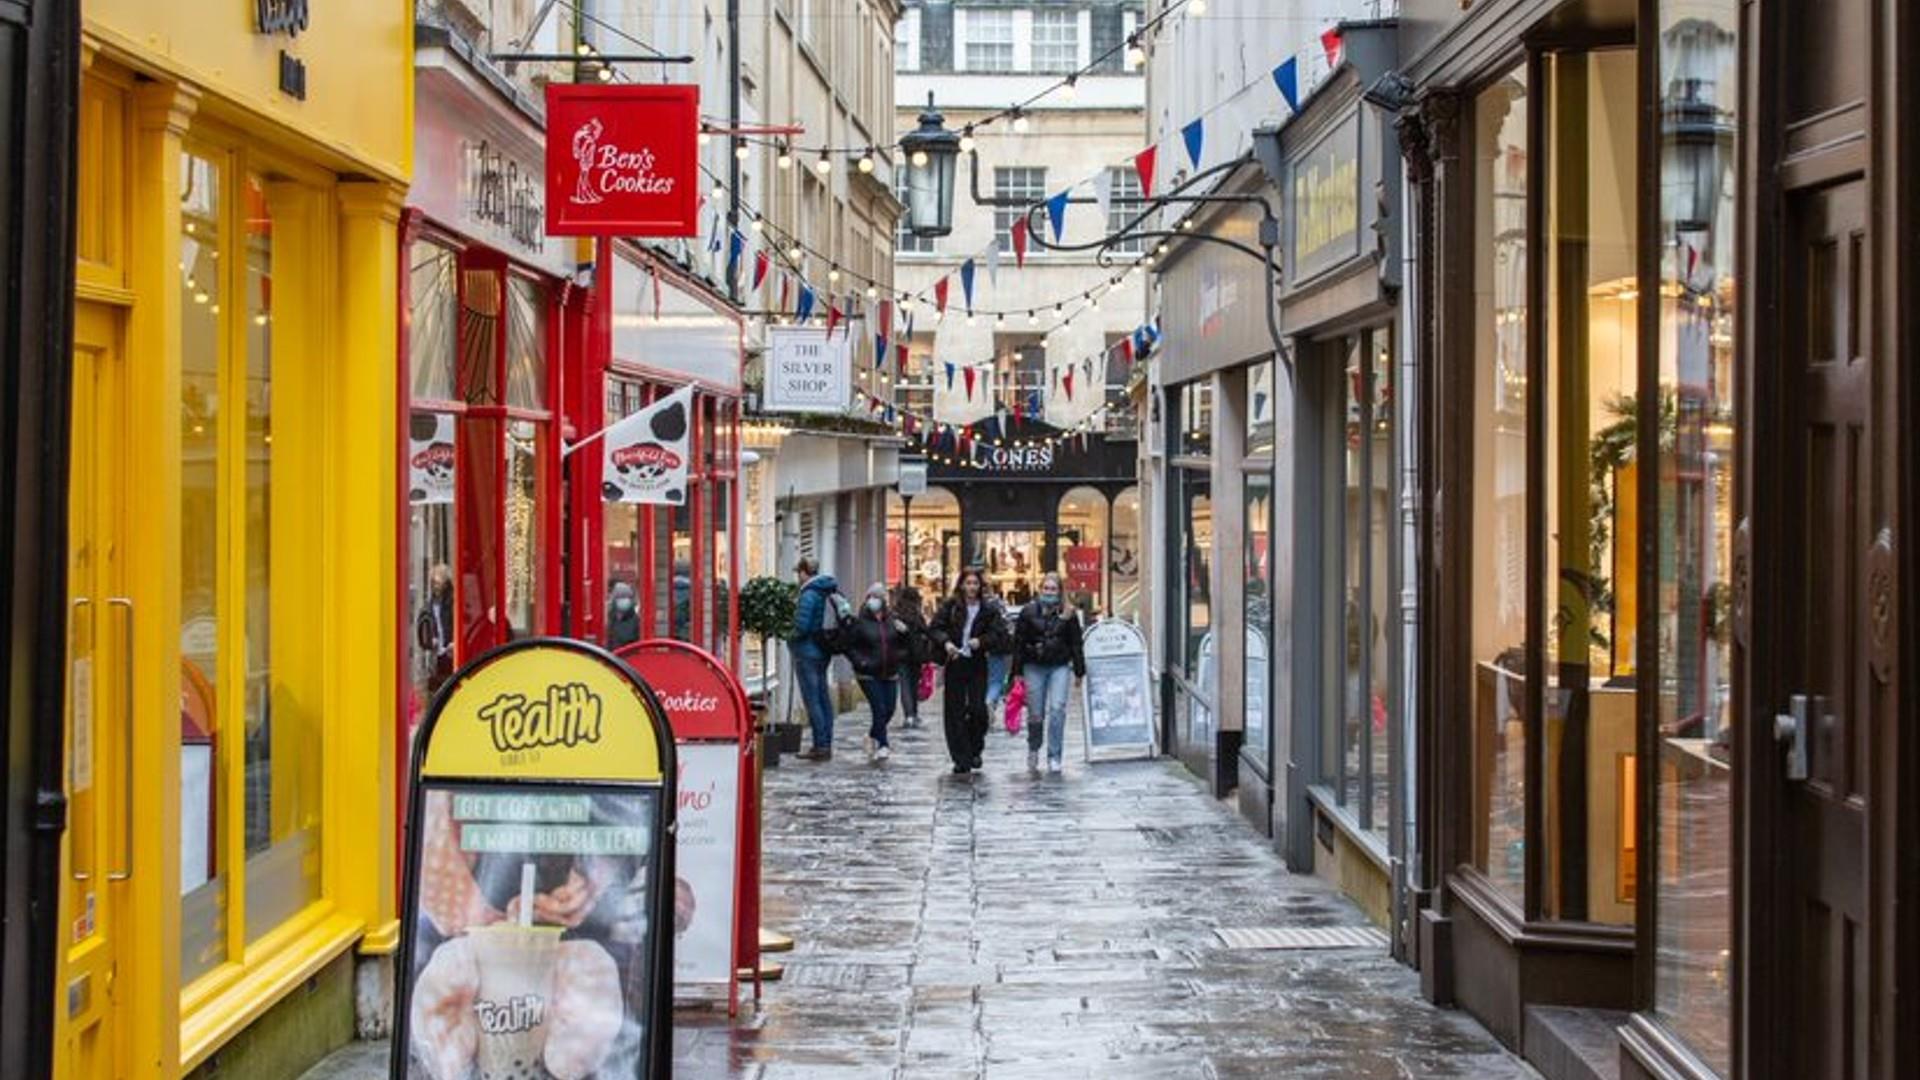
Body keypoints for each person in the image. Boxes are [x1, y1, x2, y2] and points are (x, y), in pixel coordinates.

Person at [930, 568, 1008, 774]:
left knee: (978, 710)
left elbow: (999, 635)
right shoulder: (951, 606)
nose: (972, 587)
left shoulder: (988, 609)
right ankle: (960, 758)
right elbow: (935, 628)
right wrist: (946, 643)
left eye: (975, 583)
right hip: (955, 660)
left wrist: (980, 641)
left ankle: (975, 749)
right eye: (968, 583)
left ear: (980, 586)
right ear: (962, 585)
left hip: (977, 663)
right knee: (954, 711)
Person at [1014, 573, 1087, 773]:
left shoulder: (1068, 614)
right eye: (1046, 588)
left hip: (1059, 666)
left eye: (1053, 589)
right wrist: (1016, 672)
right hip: (1033, 666)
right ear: (1040, 589)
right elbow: (1019, 642)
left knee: (1057, 709)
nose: (1049, 592)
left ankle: (1055, 756)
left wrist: (1080, 670)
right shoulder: (1028, 612)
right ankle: (1034, 748)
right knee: (1036, 714)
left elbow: (1076, 643)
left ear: (1060, 591)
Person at [787, 558, 849, 761]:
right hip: (822, 651)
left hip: (807, 653)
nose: (798, 577)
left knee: (812, 700)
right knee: (823, 699)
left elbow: (802, 627)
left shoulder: (809, 594)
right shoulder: (827, 591)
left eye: (799, 573)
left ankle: (820, 745)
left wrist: (788, 635)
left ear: (805, 572)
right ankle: (825, 743)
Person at [840, 583, 907, 762]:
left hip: (890, 671)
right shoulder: (859, 622)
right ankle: (883, 744)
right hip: (868, 673)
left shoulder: (892, 620)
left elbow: (902, 644)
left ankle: (871, 735)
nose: (875, 600)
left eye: (879, 597)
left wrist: (903, 637)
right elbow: (849, 646)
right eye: (872, 596)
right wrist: (860, 662)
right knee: (879, 708)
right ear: (867, 598)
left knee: (890, 709)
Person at [890, 584, 931, 729]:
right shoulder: (916, 614)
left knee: (905, 685)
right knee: (913, 685)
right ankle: (913, 713)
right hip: (916, 654)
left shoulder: (896, 614)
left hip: (900, 654)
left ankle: (909, 715)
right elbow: (926, 631)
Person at [416, 562, 456, 693]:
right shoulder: (430, 604)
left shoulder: (453, 603)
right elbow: (424, 625)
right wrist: (430, 639)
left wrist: (455, 643)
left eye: (438, 583)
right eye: (433, 583)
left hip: (451, 653)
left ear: (446, 584)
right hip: (436, 654)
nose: (435, 587)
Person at [606, 581, 641, 649]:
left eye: (626, 598)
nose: (623, 601)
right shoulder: (610, 617)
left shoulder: (635, 620)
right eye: (620, 598)